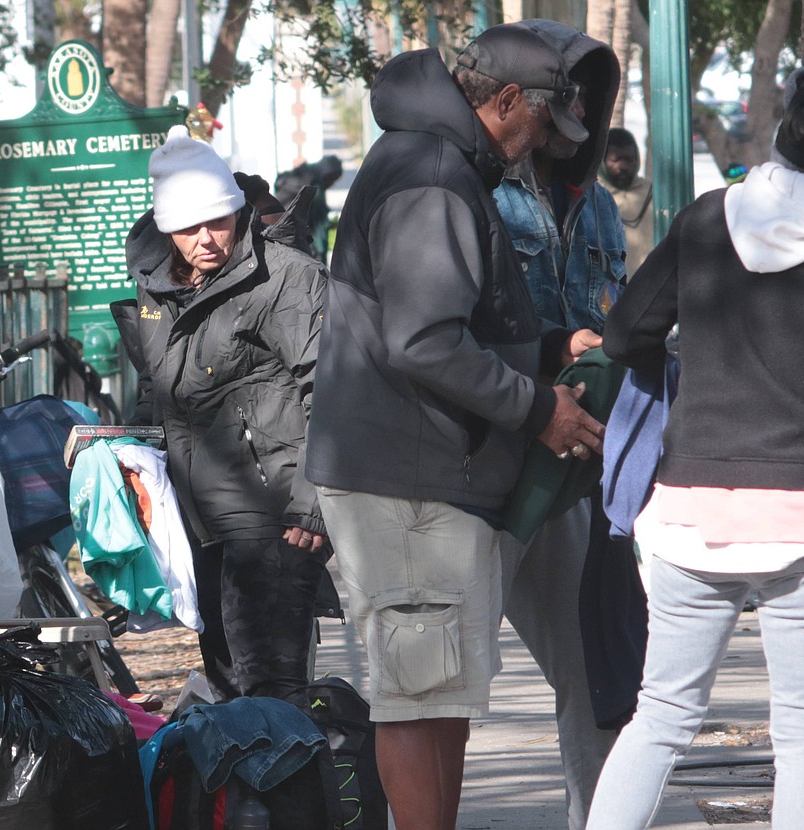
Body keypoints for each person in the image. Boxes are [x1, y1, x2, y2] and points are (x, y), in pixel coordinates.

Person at [584, 58, 804, 829]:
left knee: (660, 719)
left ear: (783, 132)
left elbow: (623, 335)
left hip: (688, 515)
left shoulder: (708, 218)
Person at [304, 23, 607, 830]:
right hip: (406, 484)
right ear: (506, 101)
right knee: (415, 698)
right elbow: (425, 340)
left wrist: (548, 347)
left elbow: (443, 322)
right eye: (543, 123)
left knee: (437, 696)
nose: (543, 143)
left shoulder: (438, 164)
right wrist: (539, 408)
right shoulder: (434, 172)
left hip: (424, 478)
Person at [118, 125, 330, 709]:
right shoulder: (155, 291)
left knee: (271, 685)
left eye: (219, 220)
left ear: (238, 209)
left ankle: (291, 798)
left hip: (276, 513)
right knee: (229, 683)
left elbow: (332, 389)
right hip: (198, 517)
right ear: (166, 228)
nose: (207, 238)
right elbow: (156, 389)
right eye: (189, 227)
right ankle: (248, 800)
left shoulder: (285, 277)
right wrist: (126, 457)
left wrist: (313, 505)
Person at [491, 21, 643, 830]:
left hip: (574, 465)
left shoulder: (603, 213)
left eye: (587, 95)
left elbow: (609, 327)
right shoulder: (474, 195)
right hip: (478, 461)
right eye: (559, 94)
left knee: (597, 673)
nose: (570, 113)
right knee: (438, 682)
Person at [599, 127, 653, 279]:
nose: (622, 167)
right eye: (615, 160)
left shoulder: (652, 193)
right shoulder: (594, 196)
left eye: (628, 159)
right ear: (603, 160)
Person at [274, 154, 343, 263]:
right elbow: (317, 226)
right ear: (327, 174)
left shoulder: (299, 179)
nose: (332, 184)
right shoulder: (313, 188)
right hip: (306, 246)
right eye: (332, 179)